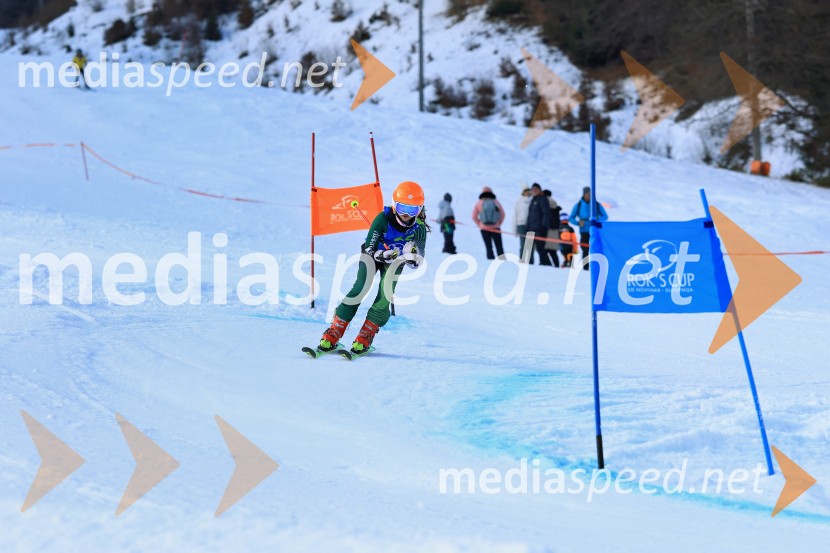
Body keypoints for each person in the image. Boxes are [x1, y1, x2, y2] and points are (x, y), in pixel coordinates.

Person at [317, 181, 429, 354]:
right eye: (402, 208)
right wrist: (381, 254)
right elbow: (370, 247)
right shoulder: (382, 219)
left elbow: (419, 256)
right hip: (372, 256)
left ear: (420, 209)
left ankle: (365, 336)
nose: (406, 214)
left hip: (396, 261)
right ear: (394, 205)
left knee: (385, 294)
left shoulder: (419, 228)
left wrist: (412, 259)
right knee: (360, 288)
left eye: (412, 210)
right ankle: (334, 332)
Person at [570, 186, 609, 270]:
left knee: (595, 248)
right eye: (587, 194)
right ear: (584, 194)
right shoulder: (579, 205)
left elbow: (605, 216)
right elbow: (571, 218)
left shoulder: (596, 204)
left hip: (595, 230)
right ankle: (585, 268)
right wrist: (578, 223)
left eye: (590, 194)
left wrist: (595, 219)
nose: (588, 195)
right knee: (585, 249)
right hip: (583, 230)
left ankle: (596, 267)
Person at [472, 186, 505, 259]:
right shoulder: (496, 202)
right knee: (499, 247)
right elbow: (502, 214)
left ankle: (490, 261)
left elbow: (474, 216)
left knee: (488, 247)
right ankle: (502, 261)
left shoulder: (479, 203)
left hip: (484, 229)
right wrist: (498, 223)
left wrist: (480, 224)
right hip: (496, 228)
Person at [526, 183, 552, 265]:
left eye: (536, 189)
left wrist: (544, 226)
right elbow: (530, 214)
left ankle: (544, 264)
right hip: (531, 228)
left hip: (540, 228)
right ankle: (530, 263)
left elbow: (546, 213)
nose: (534, 191)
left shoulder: (543, 199)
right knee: (530, 248)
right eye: (532, 189)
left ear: (539, 190)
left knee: (541, 248)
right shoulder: (533, 199)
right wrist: (528, 226)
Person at [513, 185, 533, 263]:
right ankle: (522, 261)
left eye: (528, 190)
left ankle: (530, 262)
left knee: (530, 244)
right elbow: (515, 215)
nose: (527, 192)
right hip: (521, 225)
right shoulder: (519, 202)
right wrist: (514, 229)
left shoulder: (533, 200)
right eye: (525, 191)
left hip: (530, 225)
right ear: (523, 192)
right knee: (523, 244)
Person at [542, 189, 561, 267]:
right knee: (553, 251)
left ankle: (548, 265)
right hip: (554, 231)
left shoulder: (545, 203)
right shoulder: (554, 204)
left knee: (544, 250)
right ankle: (556, 266)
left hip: (547, 231)